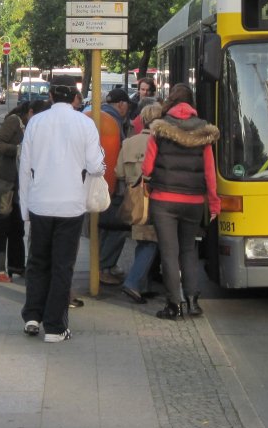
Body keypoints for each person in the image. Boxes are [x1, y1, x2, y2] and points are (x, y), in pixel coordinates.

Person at [19, 84, 105, 343]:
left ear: (51, 97)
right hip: (70, 204)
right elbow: (95, 166)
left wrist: (25, 208)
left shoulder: (36, 122)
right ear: (76, 99)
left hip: (40, 202)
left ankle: (32, 315)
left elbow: (25, 166)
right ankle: (55, 327)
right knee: (62, 265)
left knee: (37, 261)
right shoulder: (85, 123)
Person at [142, 83, 220, 319]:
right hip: (194, 201)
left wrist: (147, 182)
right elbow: (210, 173)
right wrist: (214, 205)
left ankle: (173, 304)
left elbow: (147, 167)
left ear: (172, 102)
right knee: (189, 250)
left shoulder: (160, 129)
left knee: (169, 252)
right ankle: (193, 301)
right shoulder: (204, 132)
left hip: (163, 200)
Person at [116, 98, 162, 303]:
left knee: (142, 241)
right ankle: (133, 283)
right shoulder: (161, 143)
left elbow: (119, 172)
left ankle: (143, 285)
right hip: (155, 198)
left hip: (134, 199)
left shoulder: (128, 143)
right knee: (150, 242)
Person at [85, 87, 131, 284]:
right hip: (108, 185)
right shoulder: (112, 122)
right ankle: (104, 268)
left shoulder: (91, 115)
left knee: (102, 227)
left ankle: (103, 267)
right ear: (121, 104)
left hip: (88, 183)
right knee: (116, 225)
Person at [0, 101, 32, 282]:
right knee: (3, 226)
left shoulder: (26, 124)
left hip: (17, 184)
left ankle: (16, 265)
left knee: (17, 226)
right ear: (30, 112)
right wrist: (19, 150)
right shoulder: (14, 121)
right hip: (6, 182)